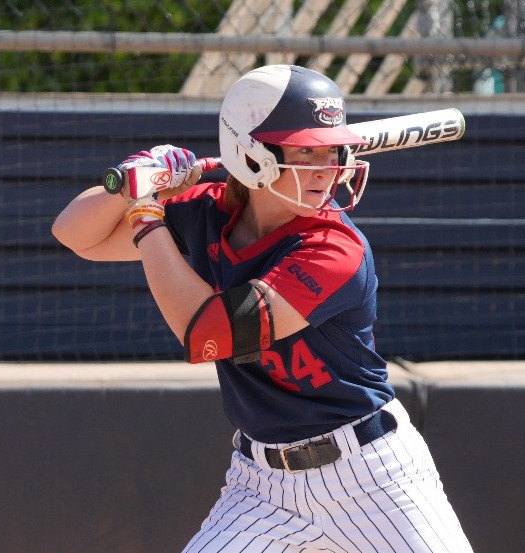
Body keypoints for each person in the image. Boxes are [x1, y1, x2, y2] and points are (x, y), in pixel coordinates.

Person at [52, 64, 473, 553]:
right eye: (306, 151)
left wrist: (148, 214)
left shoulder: (335, 248)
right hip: (262, 487)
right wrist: (128, 182)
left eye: (333, 150)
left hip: (373, 478)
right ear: (251, 154)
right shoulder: (207, 210)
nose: (327, 169)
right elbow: (75, 234)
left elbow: (210, 334)